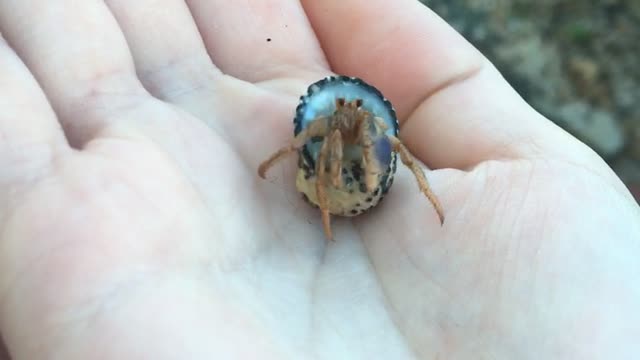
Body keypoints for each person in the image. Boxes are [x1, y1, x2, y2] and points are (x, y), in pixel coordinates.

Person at [0, 1, 638, 359]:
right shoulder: (332, 130)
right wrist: (285, 163)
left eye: (356, 117)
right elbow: (315, 140)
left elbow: (399, 150)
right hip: (330, 179)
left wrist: (421, 189)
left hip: (357, 185)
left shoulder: (370, 130)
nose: (353, 118)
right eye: (351, 117)